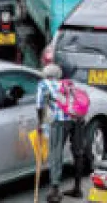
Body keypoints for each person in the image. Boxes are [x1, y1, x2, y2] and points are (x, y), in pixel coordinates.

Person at [36, 64, 73, 202]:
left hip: (56, 123)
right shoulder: (65, 84)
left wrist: (40, 123)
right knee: (58, 152)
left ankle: (55, 188)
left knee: (54, 154)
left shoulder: (43, 85)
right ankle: (56, 184)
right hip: (68, 121)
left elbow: (40, 106)